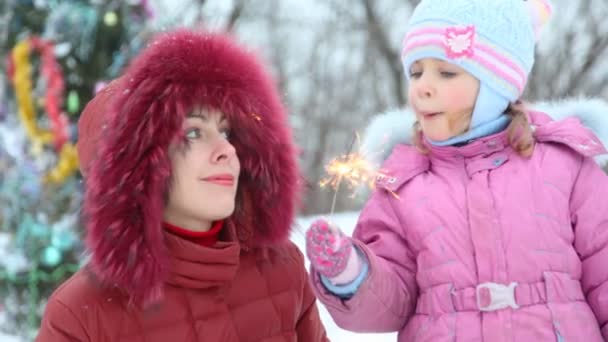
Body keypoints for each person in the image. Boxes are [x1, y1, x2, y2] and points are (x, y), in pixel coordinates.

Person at [305, 0, 608, 340]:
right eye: (416, 72)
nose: (422, 86)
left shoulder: (565, 168)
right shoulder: (402, 186)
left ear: (499, 84)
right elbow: (392, 303)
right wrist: (351, 273)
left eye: (446, 72)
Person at [36, 29, 328, 341]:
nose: (227, 150)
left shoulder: (283, 269)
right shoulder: (82, 313)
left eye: (226, 131)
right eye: (193, 133)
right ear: (138, 167)